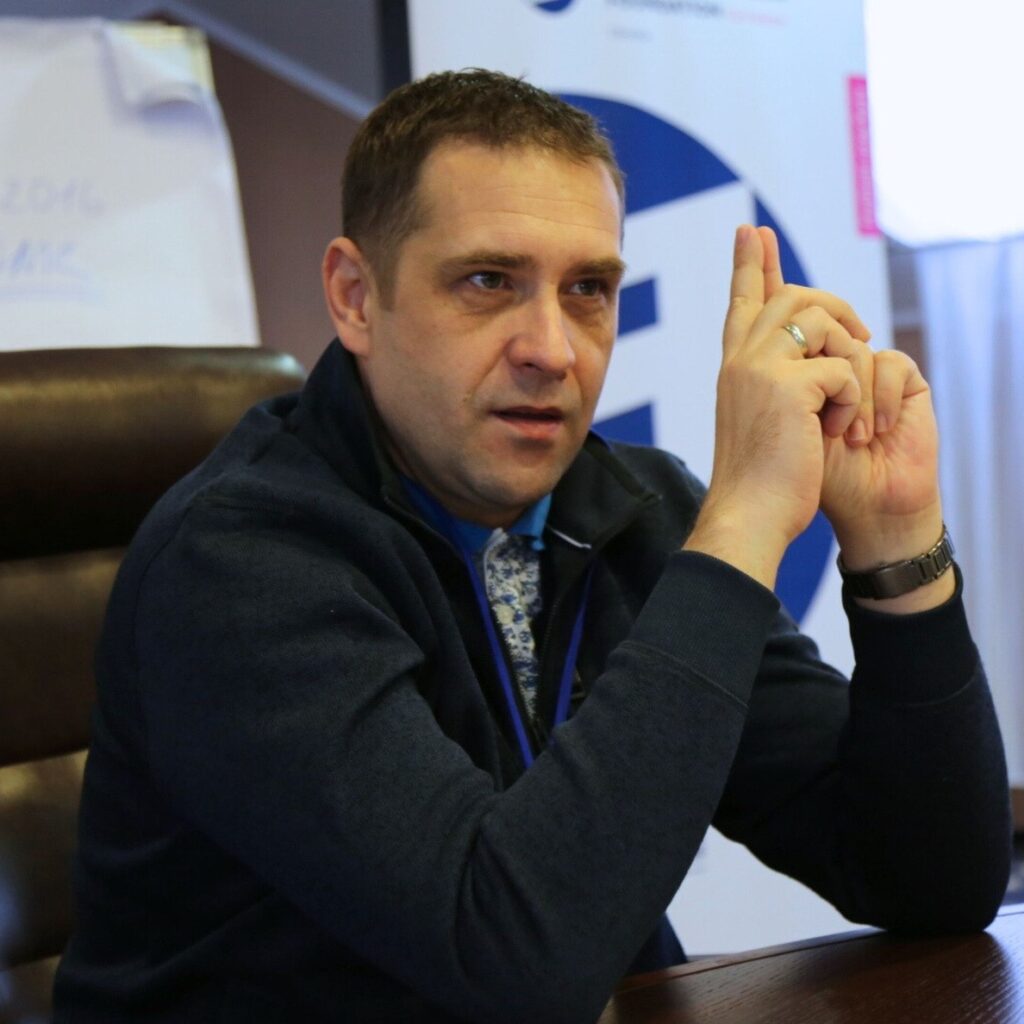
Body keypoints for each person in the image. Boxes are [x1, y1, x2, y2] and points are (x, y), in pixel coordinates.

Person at [53, 69, 1011, 1024]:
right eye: (488, 282)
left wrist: (897, 550)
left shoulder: (634, 509)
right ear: (355, 297)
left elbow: (933, 881)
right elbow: (513, 964)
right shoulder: (237, 559)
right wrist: (745, 522)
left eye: (588, 289)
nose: (552, 349)